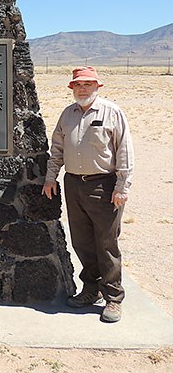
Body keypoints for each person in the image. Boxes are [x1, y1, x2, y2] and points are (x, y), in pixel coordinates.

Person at [42, 66, 134, 323]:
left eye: (87, 84)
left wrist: (121, 187)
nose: (82, 89)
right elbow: (57, 148)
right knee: (82, 241)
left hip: (104, 186)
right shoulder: (68, 114)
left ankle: (113, 298)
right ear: (72, 88)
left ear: (97, 86)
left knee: (106, 242)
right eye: (78, 85)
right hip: (73, 184)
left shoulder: (111, 112)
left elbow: (124, 151)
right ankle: (90, 290)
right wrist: (51, 177)